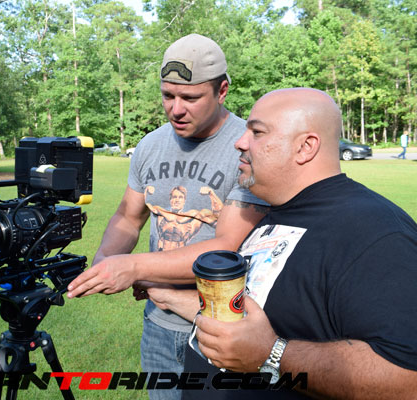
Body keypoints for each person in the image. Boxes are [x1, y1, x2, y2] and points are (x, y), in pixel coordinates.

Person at [143, 87, 417, 399]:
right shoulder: (279, 211)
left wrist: (272, 355)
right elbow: (261, 309)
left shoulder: (375, 233)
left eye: (257, 132)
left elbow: (408, 378)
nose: (240, 142)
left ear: (305, 147)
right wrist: (166, 295)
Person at [67, 34, 268, 400]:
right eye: (167, 95)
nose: (176, 109)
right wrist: (105, 260)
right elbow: (128, 218)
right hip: (157, 323)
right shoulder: (150, 145)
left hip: (220, 326)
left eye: (190, 98)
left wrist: (133, 268)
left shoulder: (246, 148)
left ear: (222, 91)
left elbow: (226, 247)